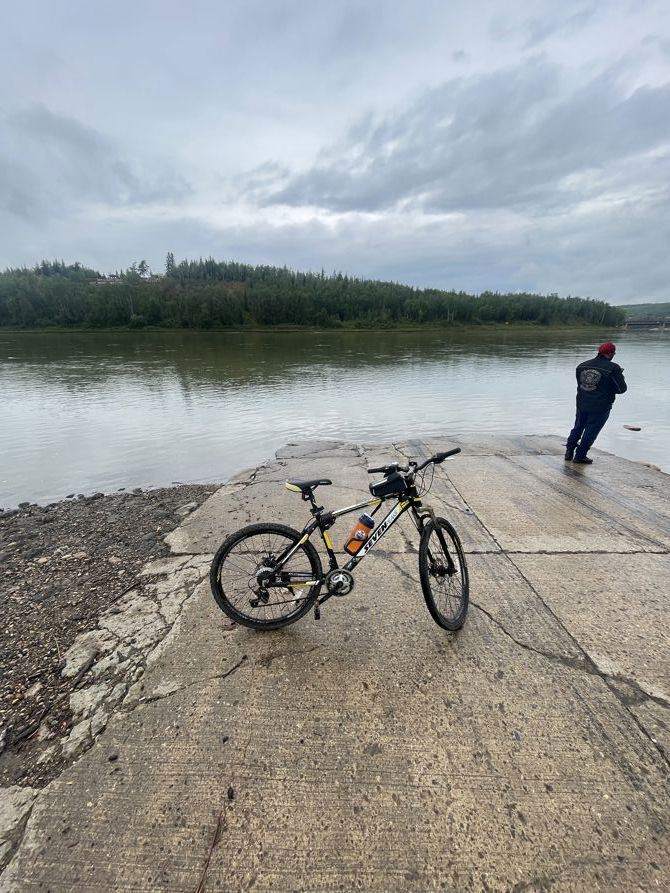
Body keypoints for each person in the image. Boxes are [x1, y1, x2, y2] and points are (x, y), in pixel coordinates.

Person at [565, 341, 627, 464]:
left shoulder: (582, 365)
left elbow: (582, 385)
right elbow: (621, 389)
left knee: (578, 427)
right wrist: (620, 375)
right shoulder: (613, 368)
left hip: (582, 403)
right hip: (601, 406)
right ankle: (580, 457)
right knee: (591, 431)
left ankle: (569, 452)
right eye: (614, 353)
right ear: (610, 354)